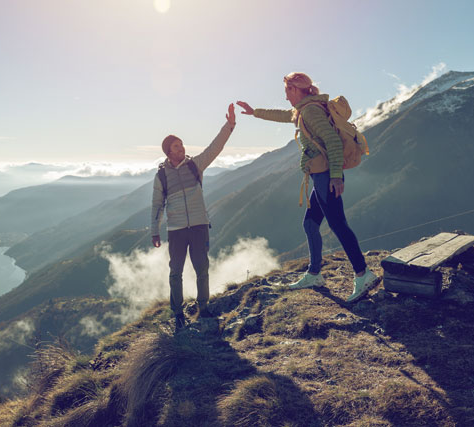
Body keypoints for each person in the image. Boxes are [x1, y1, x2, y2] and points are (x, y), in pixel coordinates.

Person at [236, 72, 378, 303]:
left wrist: (335, 177)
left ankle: (363, 274)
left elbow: (332, 141)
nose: (285, 98)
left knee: (338, 224)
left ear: (294, 90)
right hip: (321, 174)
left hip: (325, 176)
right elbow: (284, 115)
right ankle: (314, 274)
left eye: (286, 92)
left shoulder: (310, 111)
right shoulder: (306, 108)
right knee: (310, 224)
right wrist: (255, 112)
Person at [151, 103, 236, 330]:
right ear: (168, 152)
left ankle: (203, 307)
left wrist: (229, 125)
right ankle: (178, 313)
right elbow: (157, 205)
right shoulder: (161, 176)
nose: (181, 148)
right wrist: (154, 231)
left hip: (198, 225)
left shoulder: (194, 165)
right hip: (176, 230)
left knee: (202, 268)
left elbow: (214, 148)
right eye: (176, 146)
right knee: (175, 272)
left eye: (181, 145)